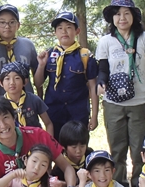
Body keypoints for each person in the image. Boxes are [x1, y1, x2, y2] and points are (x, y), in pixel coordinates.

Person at [96, 0, 145, 187]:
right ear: (112, 18)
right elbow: (102, 69)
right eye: (117, 13)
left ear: (133, 16)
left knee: (140, 150)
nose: (121, 18)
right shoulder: (105, 41)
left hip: (139, 103)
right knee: (117, 150)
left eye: (126, 13)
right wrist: (100, 82)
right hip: (113, 103)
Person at [35, 11, 99, 140]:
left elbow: (93, 87)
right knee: (55, 149)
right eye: (60, 28)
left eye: (69, 27)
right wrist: (41, 65)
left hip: (78, 112)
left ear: (77, 31)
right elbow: (38, 83)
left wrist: (94, 116)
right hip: (54, 111)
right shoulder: (49, 54)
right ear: (55, 33)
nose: (64, 31)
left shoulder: (85, 55)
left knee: (78, 150)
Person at [0, 4, 41, 98]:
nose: (7, 26)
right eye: (2, 22)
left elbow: (36, 73)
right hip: (1, 100)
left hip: (27, 100)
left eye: (12, 22)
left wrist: (40, 98)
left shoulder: (28, 45)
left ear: (18, 25)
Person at [0, 61, 53, 136]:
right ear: (1, 83)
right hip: (11, 144)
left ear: (25, 82)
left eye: (17, 78)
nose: (12, 82)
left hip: (35, 141)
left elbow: (48, 123)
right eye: (7, 79)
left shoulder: (34, 100)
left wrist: (48, 143)